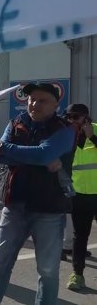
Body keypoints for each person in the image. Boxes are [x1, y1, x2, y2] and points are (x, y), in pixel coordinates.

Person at [0, 83, 75, 304]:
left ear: (56, 105)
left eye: (42, 100)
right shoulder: (16, 123)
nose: (34, 104)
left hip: (48, 211)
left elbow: (44, 154)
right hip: (14, 207)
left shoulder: (65, 129)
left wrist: (6, 148)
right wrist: (37, 157)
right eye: (32, 99)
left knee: (48, 270)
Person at [64, 104, 97, 291]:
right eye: (69, 117)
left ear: (86, 118)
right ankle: (77, 274)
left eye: (76, 117)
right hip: (79, 194)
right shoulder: (68, 136)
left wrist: (92, 136)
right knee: (80, 237)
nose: (72, 120)